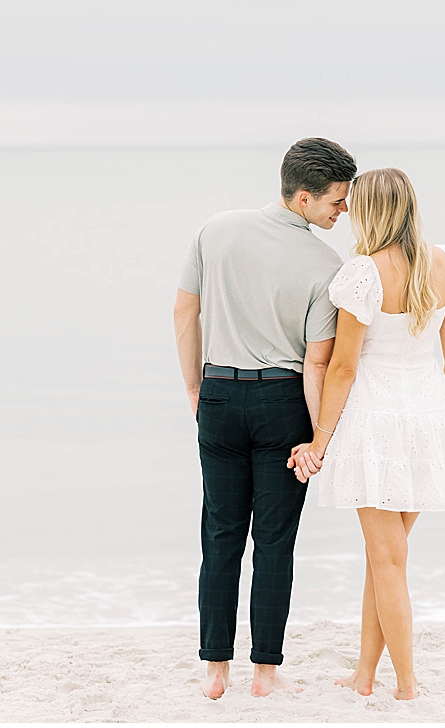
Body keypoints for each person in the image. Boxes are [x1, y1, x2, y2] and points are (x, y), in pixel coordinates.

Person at [172, 137, 357, 699]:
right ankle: (265, 673)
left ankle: (215, 669)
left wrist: (196, 390)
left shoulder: (215, 229)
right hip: (282, 401)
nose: (343, 210)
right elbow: (317, 363)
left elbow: (184, 311)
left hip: (218, 395)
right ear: (304, 198)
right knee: (275, 542)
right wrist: (319, 438)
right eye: (336, 201)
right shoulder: (327, 266)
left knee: (220, 535)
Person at [290, 167, 445, 701]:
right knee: (387, 559)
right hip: (427, 421)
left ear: (372, 211)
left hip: (374, 425)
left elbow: (343, 367)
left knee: (387, 560)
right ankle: (365, 674)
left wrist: (320, 440)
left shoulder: (364, 273)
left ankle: (406, 686)